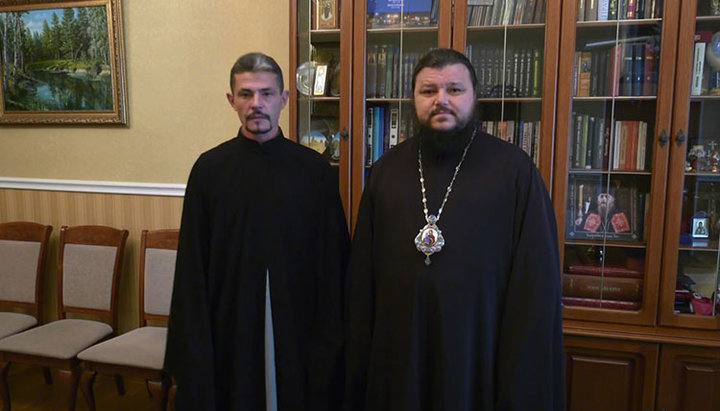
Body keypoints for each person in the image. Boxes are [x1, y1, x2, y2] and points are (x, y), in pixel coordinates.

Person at [344, 48, 564, 410]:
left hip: (480, 354)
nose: (441, 100)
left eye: (455, 90)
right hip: (400, 353)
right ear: (414, 99)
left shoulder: (514, 171)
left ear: (474, 97)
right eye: (428, 91)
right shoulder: (386, 171)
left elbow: (535, 285)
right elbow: (362, 281)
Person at [165, 52, 350, 411]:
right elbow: (192, 266)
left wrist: (334, 339)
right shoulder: (209, 171)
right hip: (229, 325)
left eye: (266, 94)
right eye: (246, 94)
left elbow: (333, 262)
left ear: (283, 99)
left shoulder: (314, 171)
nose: (256, 104)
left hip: (300, 325)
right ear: (231, 100)